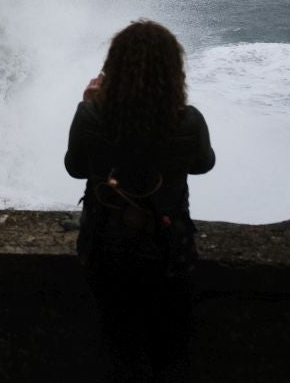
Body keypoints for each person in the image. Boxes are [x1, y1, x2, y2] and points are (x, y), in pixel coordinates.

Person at [65, 19, 216, 381]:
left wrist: (89, 103)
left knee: (117, 347)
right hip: (170, 251)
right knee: (169, 350)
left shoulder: (91, 115)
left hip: (105, 249)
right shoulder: (188, 121)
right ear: (172, 73)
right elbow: (203, 165)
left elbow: (75, 168)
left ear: (113, 69)